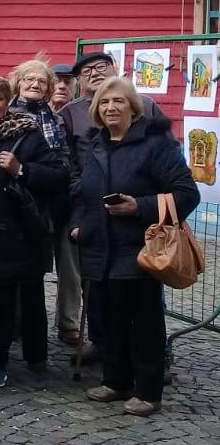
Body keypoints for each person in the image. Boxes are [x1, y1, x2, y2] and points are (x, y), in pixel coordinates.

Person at [74, 77, 198, 417]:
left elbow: (187, 194)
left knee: (143, 323)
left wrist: (139, 207)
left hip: (140, 248)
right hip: (99, 247)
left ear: (133, 107)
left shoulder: (156, 145)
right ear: (97, 110)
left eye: (118, 101)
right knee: (109, 319)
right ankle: (116, 381)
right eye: (104, 103)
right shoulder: (96, 144)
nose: (111, 107)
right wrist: (77, 225)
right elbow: (82, 192)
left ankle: (148, 391)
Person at [0, 74, 67, 389]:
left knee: (2, 299)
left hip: (13, 231)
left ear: (8, 102)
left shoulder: (27, 134)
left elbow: (59, 176)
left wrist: (22, 169)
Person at [59, 51, 167, 359]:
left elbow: (168, 161)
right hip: (92, 209)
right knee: (96, 283)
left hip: (138, 214)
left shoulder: (146, 105)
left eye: (100, 67)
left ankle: (151, 355)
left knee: (143, 285)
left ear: (115, 68)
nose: (94, 73)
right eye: (86, 71)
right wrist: (81, 195)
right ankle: (103, 343)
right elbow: (68, 160)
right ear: (79, 81)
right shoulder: (71, 112)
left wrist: (147, 201)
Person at [8, 59, 75, 344]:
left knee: (36, 269)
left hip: (49, 200)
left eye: (41, 81)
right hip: (14, 201)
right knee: (13, 268)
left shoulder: (56, 119)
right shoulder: (6, 113)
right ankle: (12, 325)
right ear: (18, 83)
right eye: (29, 80)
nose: (35, 85)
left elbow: (63, 164)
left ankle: (34, 335)